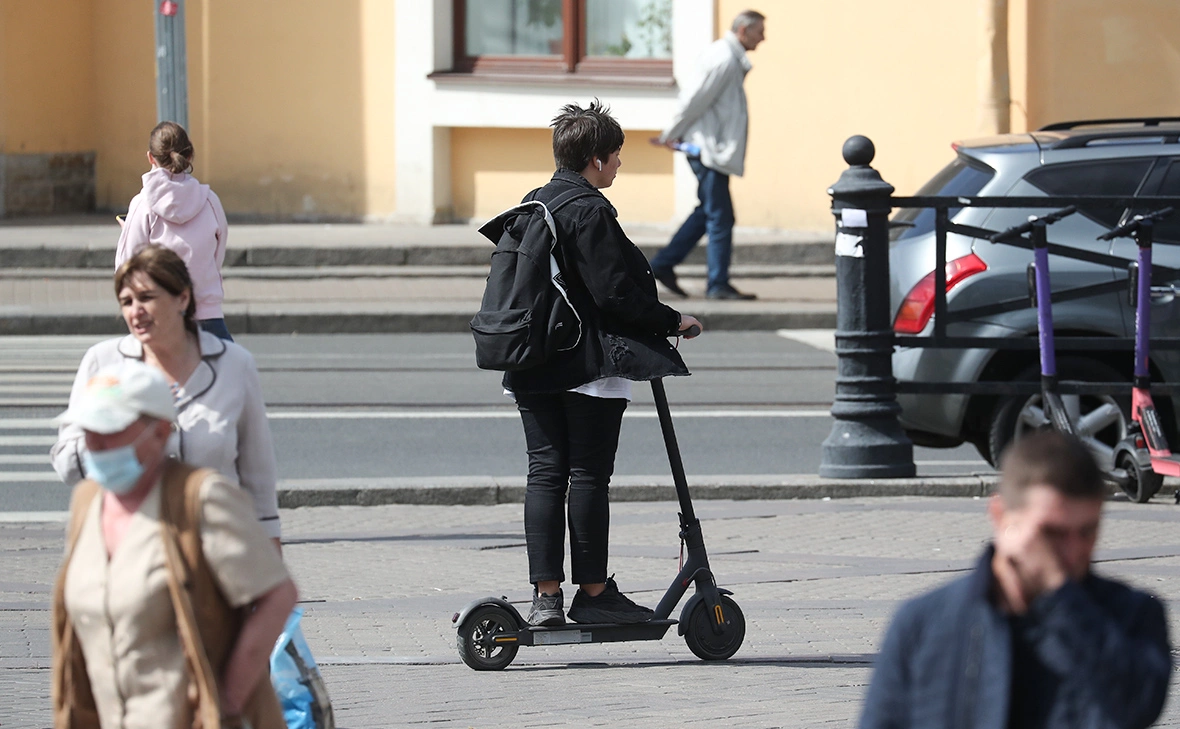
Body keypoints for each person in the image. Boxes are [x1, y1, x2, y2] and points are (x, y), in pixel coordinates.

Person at [508, 100, 703, 627]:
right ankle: (594, 594)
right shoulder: (590, 210)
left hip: (530, 360)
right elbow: (614, 293)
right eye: (615, 155)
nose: (618, 164)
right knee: (588, 475)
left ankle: (546, 598)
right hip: (585, 365)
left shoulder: (533, 204)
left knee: (544, 474)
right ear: (596, 159)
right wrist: (673, 320)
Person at [858, 430, 1171, 729]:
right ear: (1000, 516)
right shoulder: (924, 623)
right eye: (1052, 533)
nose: (1072, 551)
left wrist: (1061, 594)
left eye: (1087, 532)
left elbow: (1139, 703)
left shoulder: (1130, 614)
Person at [51, 359, 296, 728]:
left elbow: (277, 595)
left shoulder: (201, 498)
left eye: (110, 429)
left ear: (160, 432)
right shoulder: (87, 501)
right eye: (87, 429)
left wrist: (227, 700)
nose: (95, 443)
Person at [52, 245, 283, 543]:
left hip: (216, 544)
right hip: (130, 543)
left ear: (182, 298)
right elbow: (66, 463)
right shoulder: (104, 362)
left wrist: (270, 549)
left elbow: (258, 475)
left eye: (146, 298)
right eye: (126, 301)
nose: (135, 311)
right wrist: (116, 437)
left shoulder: (234, 364)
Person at [649, 9, 766, 301]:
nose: (763, 38)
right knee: (720, 216)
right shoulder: (723, 58)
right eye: (759, 31)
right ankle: (717, 284)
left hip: (711, 149)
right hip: (707, 150)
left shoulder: (728, 57)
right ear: (743, 30)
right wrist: (670, 133)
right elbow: (694, 99)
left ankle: (663, 264)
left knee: (708, 212)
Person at [116, 120, 233, 341]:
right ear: (189, 155)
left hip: (161, 317)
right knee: (227, 362)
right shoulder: (210, 201)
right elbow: (217, 255)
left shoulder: (143, 205)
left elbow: (126, 267)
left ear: (150, 157)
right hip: (208, 314)